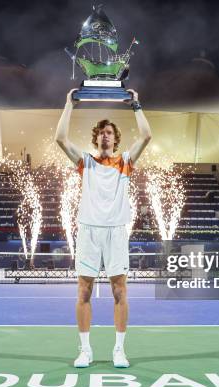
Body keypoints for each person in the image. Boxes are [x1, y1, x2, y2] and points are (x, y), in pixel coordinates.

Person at [55, 88, 152, 368]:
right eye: (102, 132)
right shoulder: (85, 161)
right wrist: (68, 103)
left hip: (116, 231)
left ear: (115, 138)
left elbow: (146, 136)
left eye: (110, 132)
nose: (106, 135)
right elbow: (60, 138)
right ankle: (85, 350)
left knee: (120, 291)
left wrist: (136, 104)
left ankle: (119, 350)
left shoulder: (125, 162)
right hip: (88, 230)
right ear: (96, 137)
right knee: (83, 291)